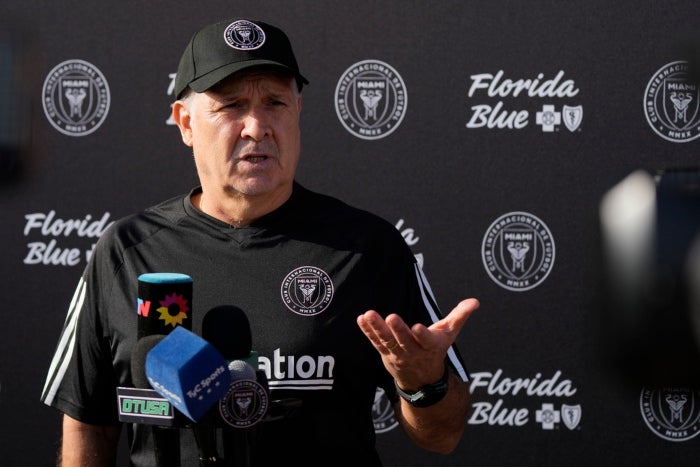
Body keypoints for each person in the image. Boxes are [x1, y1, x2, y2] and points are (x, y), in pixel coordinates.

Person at [41, 17, 480, 467]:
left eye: (275, 103)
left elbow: (442, 436)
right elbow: (88, 422)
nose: (257, 126)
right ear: (185, 122)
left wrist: (423, 384)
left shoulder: (369, 248)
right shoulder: (124, 250)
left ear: (298, 112)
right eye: (231, 105)